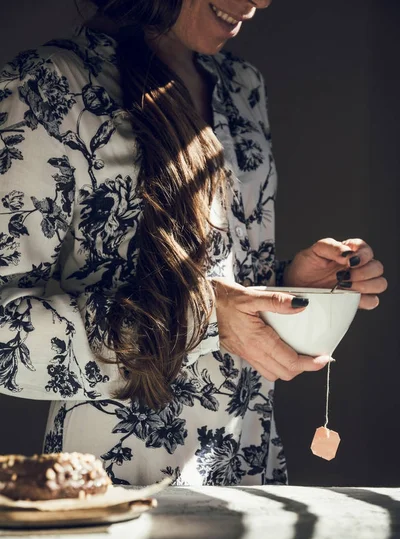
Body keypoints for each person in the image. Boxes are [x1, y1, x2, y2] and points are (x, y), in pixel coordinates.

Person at [0, 0, 387, 486]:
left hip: (253, 480)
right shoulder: (48, 86)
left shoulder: (242, 87)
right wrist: (205, 317)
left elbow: (221, 280)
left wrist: (286, 289)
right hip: (116, 494)